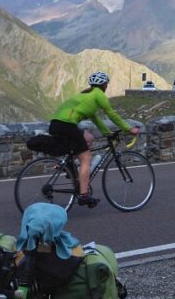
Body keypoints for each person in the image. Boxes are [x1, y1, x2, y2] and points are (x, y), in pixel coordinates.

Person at [48, 71, 140, 207]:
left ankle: (69, 165)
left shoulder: (86, 96)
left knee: (89, 138)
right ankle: (84, 195)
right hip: (67, 125)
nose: (106, 87)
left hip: (56, 124)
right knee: (86, 158)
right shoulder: (99, 94)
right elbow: (112, 115)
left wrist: (108, 133)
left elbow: (96, 119)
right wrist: (129, 129)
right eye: (106, 85)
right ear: (104, 85)